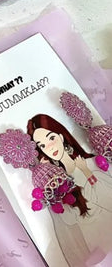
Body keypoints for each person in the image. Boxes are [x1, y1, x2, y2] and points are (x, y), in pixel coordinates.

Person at [28, 114, 112, 266]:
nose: (50, 147)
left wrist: (86, 171)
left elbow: (106, 195)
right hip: (96, 242)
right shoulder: (57, 186)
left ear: (60, 136)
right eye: (42, 146)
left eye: (51, 138)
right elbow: (69, 220)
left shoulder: (92, 162)